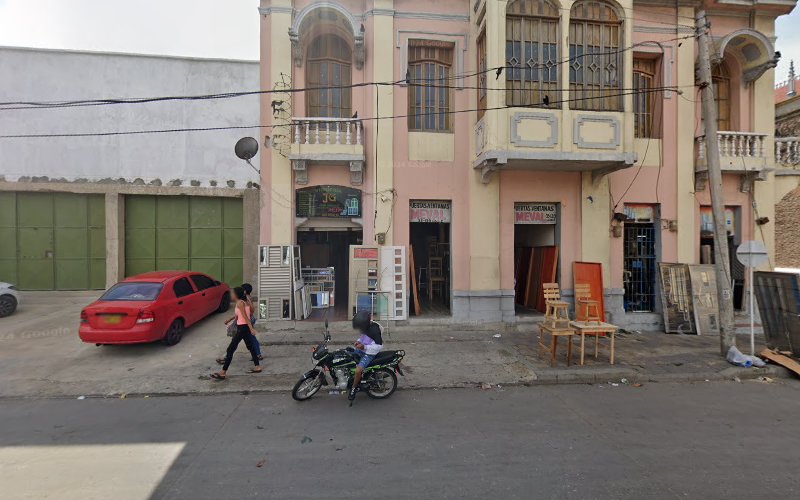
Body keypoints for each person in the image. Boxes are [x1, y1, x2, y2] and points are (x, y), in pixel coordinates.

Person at [211, 286, 261, 380]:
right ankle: (257, 366)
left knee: (230, 349)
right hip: (243, 328)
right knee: (250, 347)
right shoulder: (244, 302)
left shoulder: (240, 303)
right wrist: (229, 320)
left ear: (236, 294)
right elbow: (239, 314)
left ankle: (223, 372)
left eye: (232, 293)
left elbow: (246, 317)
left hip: (242, 328)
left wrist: (251, 329)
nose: (231, 295)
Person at [348, 310, 383, 401]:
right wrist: (358, 341)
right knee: (347, 356)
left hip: (369, 354)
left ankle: (353, 388)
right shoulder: (365, 328)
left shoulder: (375, 330)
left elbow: (379, 347)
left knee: (358, 370)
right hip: (362, 349)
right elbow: (363, 337)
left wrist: (364, 347)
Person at [241, 283, 262, 360]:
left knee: (236, 339)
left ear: (245, 291)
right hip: (249, 319)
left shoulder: (246, 298)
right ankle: (258, 354)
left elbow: (251, 310)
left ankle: (257, 355)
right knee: (251, 337)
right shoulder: (247, 297)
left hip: (247, 319)